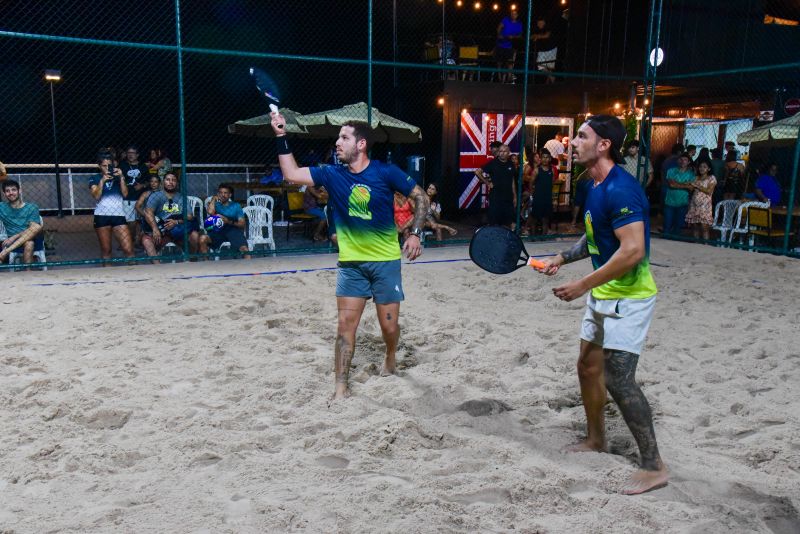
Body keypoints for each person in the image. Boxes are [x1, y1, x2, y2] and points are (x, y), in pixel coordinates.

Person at [539, 114, 668, 496]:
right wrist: (563, 257)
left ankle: (654, 465)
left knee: (618, 378)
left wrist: (581, 284)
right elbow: (596, 237)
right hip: (604, 293)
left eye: (581, 136)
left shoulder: (622, 189)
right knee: (587, 366)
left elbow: (632, 251)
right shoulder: (593, 186)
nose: (572, 142)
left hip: (629, 297)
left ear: (604, 144)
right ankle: (597, 439)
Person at [270, 113, 428, 401]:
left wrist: (415, 232)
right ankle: (341, 386)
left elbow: (421, 198)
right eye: (338, 137)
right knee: (345, 326)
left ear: (362, 144)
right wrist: (281, 136)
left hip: (385, 262)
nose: (338, 142)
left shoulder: (385, 172)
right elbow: (291, 174)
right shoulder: (332, 174)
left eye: (344, 138)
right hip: (351, 265)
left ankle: (391, 355)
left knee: (389, 327)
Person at [142, 172, 207, 261]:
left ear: (177, 183)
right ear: (163, 182)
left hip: (179, 230)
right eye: (168, 180)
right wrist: (155, 228)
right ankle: (157, 266)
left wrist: (176, 222)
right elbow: (148, 212)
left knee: (195, 235)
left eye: (173, 180)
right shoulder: (156, 195)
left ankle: (192, 259)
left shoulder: (181, 197)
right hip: (163, 230)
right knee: (146, 241)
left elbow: (189, 216)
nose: (170, 182)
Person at [89, 153, 134, 263]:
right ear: (99, 166)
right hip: (102, 216)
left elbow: (125, 194)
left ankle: (134, 273)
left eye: (109, 165)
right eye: (104, 165)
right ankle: (107, 276)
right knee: (106, 250)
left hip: (119, 215)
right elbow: (96, 196)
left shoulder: (118, 177)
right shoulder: (94, 178)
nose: (107, 168)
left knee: (128, 249)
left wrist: (122, 177)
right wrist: (102, 181)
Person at [0, 180, 44, 265]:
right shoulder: (1, 207)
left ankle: (5, 252)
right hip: (9, 241)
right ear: (4, 193)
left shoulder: (32, 207)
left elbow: (34, 229)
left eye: (13, 190)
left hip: (29, 238)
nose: (11, 193)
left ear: (19, 191)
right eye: (7, 191)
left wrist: (14, 237)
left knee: (35, 231)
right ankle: (27, 271)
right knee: (29, 243)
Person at [475, 144, 517, 228]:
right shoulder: (493, 163)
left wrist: (515, 195)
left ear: (508, 153)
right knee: (495, 221)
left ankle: (508, 239)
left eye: (504, 151)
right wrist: (487, 183)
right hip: (496, 197)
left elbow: (512, 180)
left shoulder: (511, 164)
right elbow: (477, 172)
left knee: (510, 221)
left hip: (508, 196)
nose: (502, 153)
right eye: (500, 151)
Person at [206, 183, 251, 259]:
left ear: (230, 195)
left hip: (233, 229)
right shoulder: (215, 204)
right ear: (217, 194)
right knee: (202, 239)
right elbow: (210, 212)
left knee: (244, 249)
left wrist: (228, 221)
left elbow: (242, 224)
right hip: (218, 230)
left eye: (225, 193)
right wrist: (213, 199)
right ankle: (205, 266)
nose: (223, 195)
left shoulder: (236, 206)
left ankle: (250, 269)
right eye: (220, 193)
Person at [119, 145, 150, 245]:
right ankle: (129, 240)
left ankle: (138, 240)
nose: (130, 155)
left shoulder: (143, 167)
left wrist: (142, 185)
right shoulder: (122, 165)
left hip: (141, 198)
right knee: (130, 222)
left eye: (133, 153)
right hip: (128, 198)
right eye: (129, 153)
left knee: (141, 221)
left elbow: (150, 181)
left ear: (137, 155)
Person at [685, 160, 717, 241]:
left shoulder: (711, 178)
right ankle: (696, 245)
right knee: (695, 226)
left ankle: (705, 245)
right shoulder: (696, 177)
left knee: (704, 227)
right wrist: (688, 184)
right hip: (694, 204)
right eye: (700, 167)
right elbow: (691, 189)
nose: (701, 168)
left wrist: (697, 186)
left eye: (704, 167)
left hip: (705, 206)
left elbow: (709, 191)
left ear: (709, 169)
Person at [663, 153, 695, 235]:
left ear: (688, 162)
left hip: (682, 203)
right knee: (667, 225)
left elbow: (691, 188)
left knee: (678, 227)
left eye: (685, 160)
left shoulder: (691, 174)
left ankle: (674, 243)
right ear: (678, 161)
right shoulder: (671, 171)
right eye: (681, 159)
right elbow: (671, 185)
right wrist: (685, 184)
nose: (682, 161)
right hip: (670, 202)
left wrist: (677, 184)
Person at [528, 149, 556, 235]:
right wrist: (533, 194)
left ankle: (543, 237)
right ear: (541, 159)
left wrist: (553, 198)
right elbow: (531, 183)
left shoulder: (552, 170)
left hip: (547, 198)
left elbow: (552, 183)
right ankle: (532, 237)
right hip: (538, 198)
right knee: (534, 219)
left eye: (547, 157)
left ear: (550, 159)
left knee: (545, 219)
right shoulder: (537, 170)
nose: (545, 159)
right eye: (543, 157)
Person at [494, 7, 523, 83]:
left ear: (517, 15)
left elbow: (520, 35)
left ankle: (509, 78)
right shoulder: (506, 20)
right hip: (500, 44)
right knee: (499, 63)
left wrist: (513, 37)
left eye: (515, 14)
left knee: (510, 62)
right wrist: (499, 34)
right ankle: (499, 79)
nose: (513, 15)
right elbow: (498, 28)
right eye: (512, 14)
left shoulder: (519, 24)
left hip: (510, 46)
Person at [532, 17, 557, 83]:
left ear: (544, 22)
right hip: (542, 50)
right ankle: (552, 78)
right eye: (538, 23)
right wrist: (535, 36)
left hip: (551, 48)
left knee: (550, 67)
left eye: (540, 23)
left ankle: (548, 82)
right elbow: (531, 36)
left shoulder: (548, 27)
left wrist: (537, 36)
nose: (539, 24)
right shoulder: (536, 29)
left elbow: (547, 35)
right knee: (540, 66)